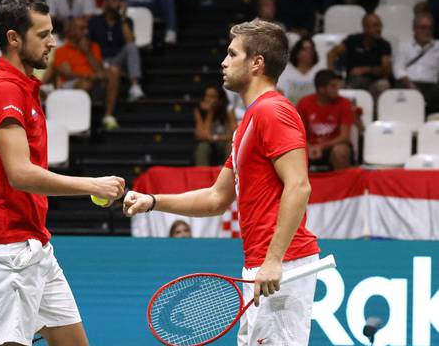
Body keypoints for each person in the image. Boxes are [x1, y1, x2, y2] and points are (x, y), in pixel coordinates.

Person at [124, 19, 320, 346]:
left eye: (232, 54)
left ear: (257, 63)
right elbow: (217, 198)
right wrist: (154, 201)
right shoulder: (248, 123)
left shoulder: (274, 111)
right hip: (260, 265)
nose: (223, 62)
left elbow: (299, 186)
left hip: (281, 265)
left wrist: (274, 261)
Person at [0, 0, 125, 346]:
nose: (52, 41)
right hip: (7, 247)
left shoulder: (22, 87)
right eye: (43, 34)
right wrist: (91, 185)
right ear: (14, 38)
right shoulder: (5, 89)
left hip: (33, 242)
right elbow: (20, 174)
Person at [53, 17, 122, 130]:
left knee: (114, 71)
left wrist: (87, 52)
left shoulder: (93, 47)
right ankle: (78, 123)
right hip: (72, 85)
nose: (86, 32)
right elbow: (67, 74)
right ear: (72, 31)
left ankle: (108, 116)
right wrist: (88, 76)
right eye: (81, 29)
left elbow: (100, 71)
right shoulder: (61, 50)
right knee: (86, 83)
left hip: (95, 83)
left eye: (86, 28)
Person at [88, 0, 145, 101]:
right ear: (106, 2)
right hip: (100, 61)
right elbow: (89, 45)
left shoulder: (126, 21)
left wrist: (123, 18)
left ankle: (134, 86)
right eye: (113, 0)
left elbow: (130, 41)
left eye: (119, 0)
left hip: (118, 60)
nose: (117, 3)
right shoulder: (95, 21)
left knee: (131, 47)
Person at [327, 13, 392, 105]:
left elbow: (386, 71)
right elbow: (331, 54)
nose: (379, 29)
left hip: (374, 82)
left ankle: (375, 116)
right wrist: (333, 77)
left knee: (384, 84)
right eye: (375, 26)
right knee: (337, 87)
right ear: (365, 27)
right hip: (352, 81)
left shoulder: (384, 45)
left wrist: (365, 70)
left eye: (380, 25)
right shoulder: (353, 40)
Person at [297, 70, 354, 170]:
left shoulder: (344, 103)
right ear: (321, 89)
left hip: (333, 146)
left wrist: (321, 147)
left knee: (341, 151)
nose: (337, 89)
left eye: (337, 86)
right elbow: (298, 133)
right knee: (291, 152)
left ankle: (342, 184)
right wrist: (308, 147)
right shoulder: (304, 103)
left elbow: (344, 137)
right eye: (333, 86)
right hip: (309, 146)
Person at [393, 13, 439, 115]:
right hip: (408, 84)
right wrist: (411, 85)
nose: (427, 31)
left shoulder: (438, 46)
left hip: (432, 86)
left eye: (430, 28)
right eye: (423, 27)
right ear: (414, 29)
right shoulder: (403, 46)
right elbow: (398, 69)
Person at [193, 86, 236, 166]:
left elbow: (235, 134)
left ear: (220, 100)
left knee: (230, 147)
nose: (207, 99)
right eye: (206, 96)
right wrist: (210, 112)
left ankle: (230, 175)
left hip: (224, 143)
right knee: (202, 147)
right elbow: (201, 135)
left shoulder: (228, 109)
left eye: (212, 97)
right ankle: (202, 175)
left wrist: (214, 138)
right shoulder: (199, 110)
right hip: (210, 144)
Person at [277, 37, 321, 105]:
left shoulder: (319, 71)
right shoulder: (285, 70)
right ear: (297, 53)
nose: (309, 52)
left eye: (311, 49)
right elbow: (279, 92)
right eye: (305, 49)